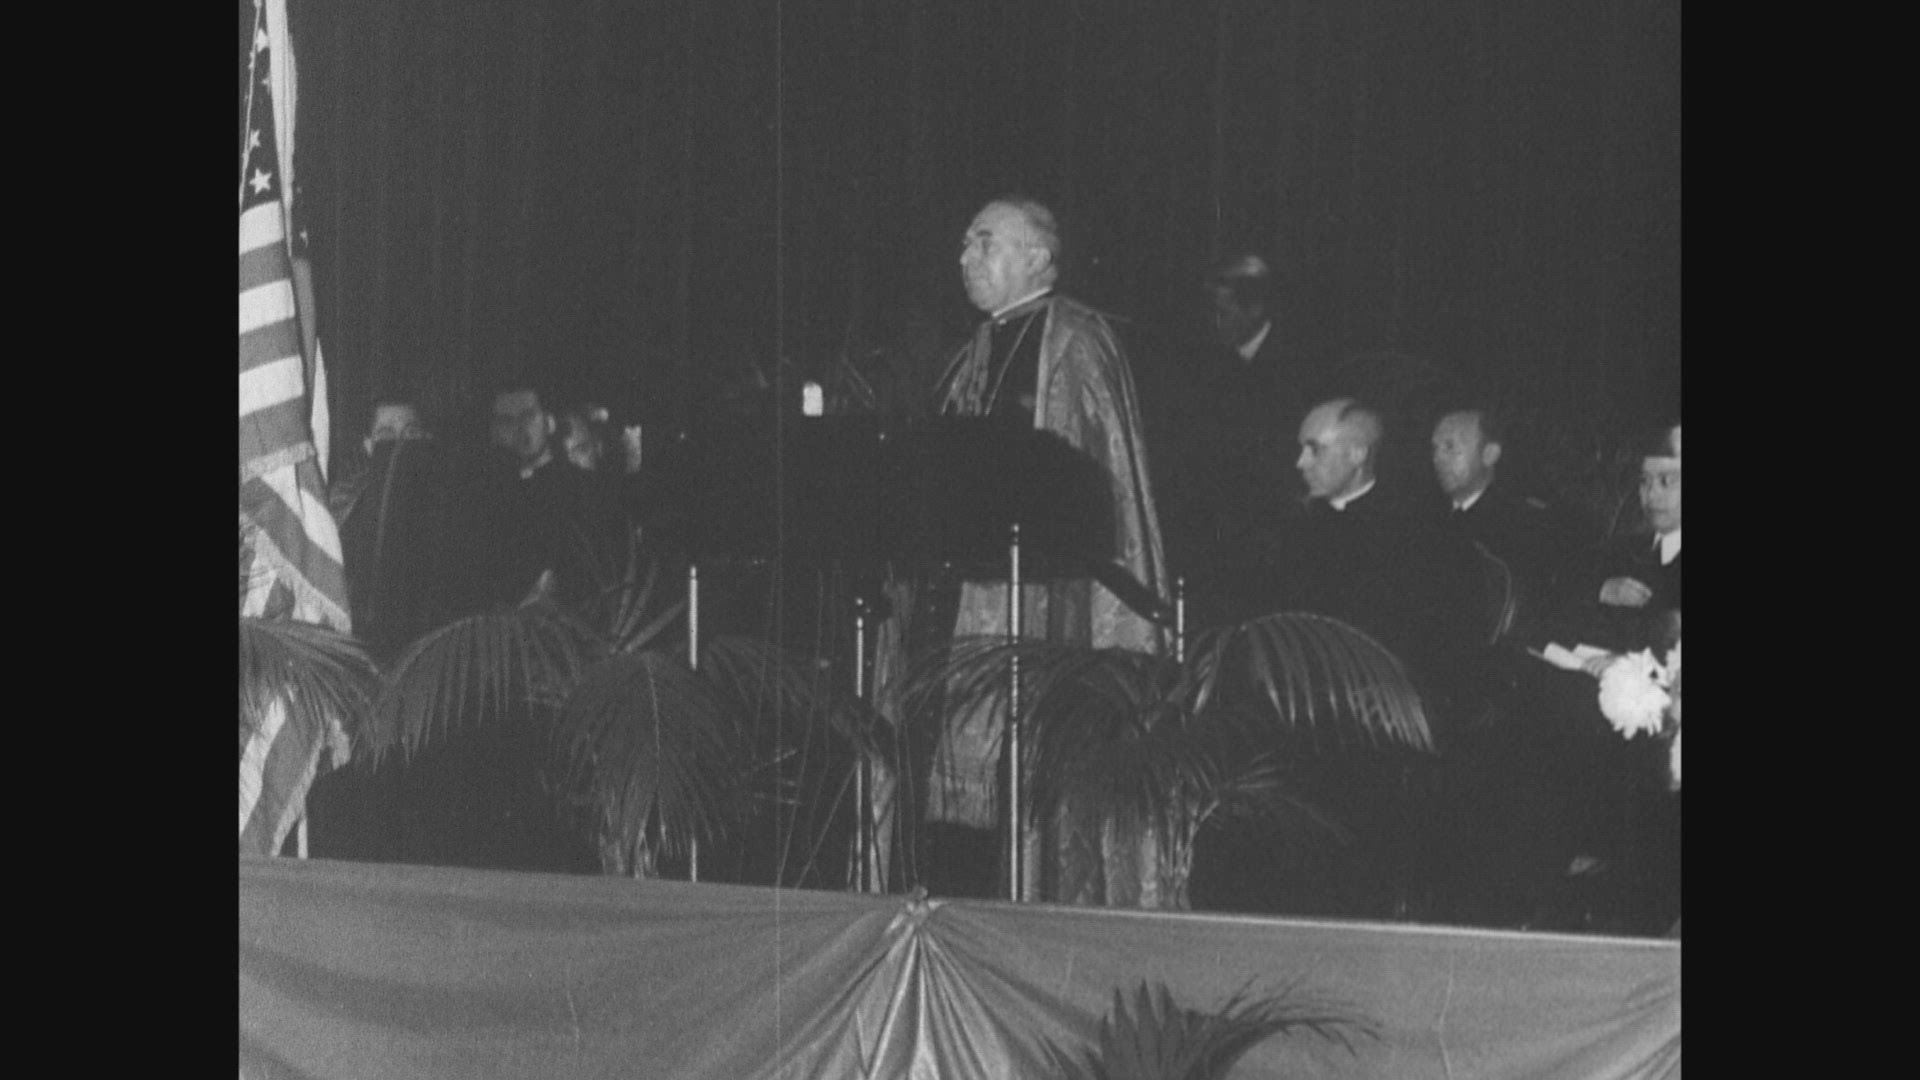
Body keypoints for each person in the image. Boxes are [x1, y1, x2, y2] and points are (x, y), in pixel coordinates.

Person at [920, 195, 1172, 906]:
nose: (965, 257)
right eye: (964, 244)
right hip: (974, 591)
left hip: (1052, 594)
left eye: (984, 242)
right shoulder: (973, 351)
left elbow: (1102, 481)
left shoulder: (1077, 341)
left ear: (1038, 257)